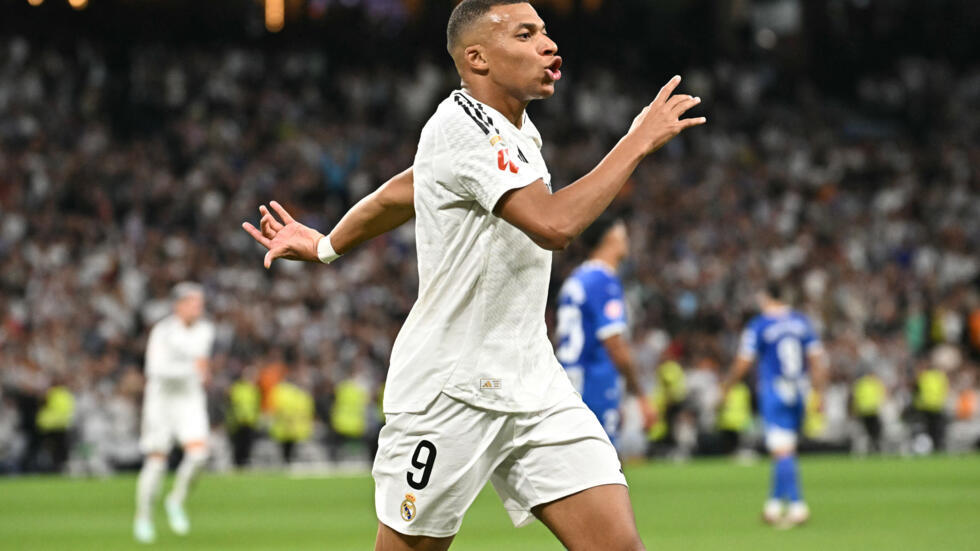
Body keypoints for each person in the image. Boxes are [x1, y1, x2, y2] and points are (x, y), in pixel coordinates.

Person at [242, 1, 704, 548]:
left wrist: (325, 245)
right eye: (527, 34)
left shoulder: (514, 132)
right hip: (452, 389)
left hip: (532, 382)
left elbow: (403, 190)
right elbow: (554, 225)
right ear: (477, 58)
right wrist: (637, 140)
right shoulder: (464, 126)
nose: (548, 45)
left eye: (546, 32)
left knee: (617, 545)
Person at [720, 282, 828, 528]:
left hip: (774, 390)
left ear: (766, 297)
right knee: (786, 448)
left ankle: (798, 506)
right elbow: (817, 360)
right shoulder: (802, 322)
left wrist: (726, 386)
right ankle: (773, 506)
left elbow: (743, 362)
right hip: (799, 390)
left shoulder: (759, 325)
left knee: (782, 451)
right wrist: (819, 394)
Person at [555, 213, 655, 446]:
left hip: (571, 377)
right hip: (594, 379)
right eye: (623, 234)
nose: (627, 239)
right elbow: (614, 343)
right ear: (610, 236)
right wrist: (640, 394)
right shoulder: (603, 280)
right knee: (606, 463)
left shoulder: (578, 278)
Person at [133, 282, 215, 544]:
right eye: (194, 302)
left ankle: (175, 500)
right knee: (156, 462)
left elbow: (202, 364)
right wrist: (194, 371)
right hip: (161, 401)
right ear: (178, 304)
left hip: (189, 399)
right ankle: (143, 517)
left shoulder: (206, 330)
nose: (199, 308)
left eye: (200, 303)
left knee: (200, 455)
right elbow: (155, 370)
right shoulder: (163, 331)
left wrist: (199, 373)